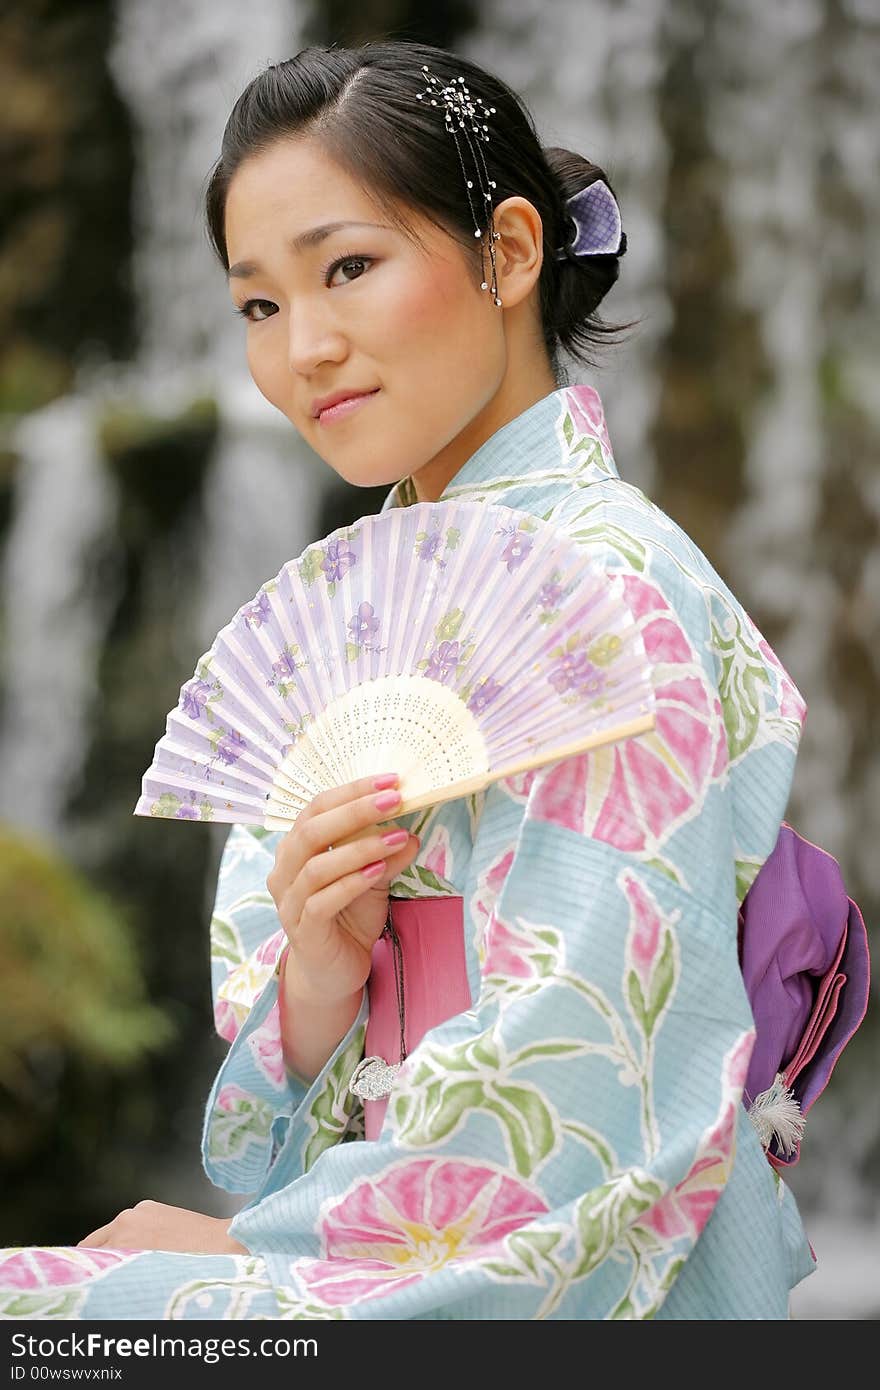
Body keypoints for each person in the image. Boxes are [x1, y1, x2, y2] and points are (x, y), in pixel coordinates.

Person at [0, 39, 867, 1322]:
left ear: (509, 254)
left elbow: (586, 1099)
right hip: (389, 1249)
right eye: (258, 304)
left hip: (555, 1272)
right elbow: (259, 1143)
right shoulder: (353, 609)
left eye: (348, 267)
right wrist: (315, 979)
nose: (305, 347)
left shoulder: (609, 594)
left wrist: (248, 1256)